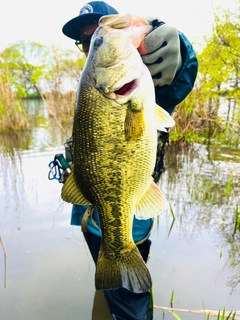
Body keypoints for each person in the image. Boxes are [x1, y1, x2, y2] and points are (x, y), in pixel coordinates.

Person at [61, 1, 198, 319]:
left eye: (98, 34)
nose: (91, 43)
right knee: (111, 288)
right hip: (90, 216)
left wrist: (178, 45)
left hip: (128, 216)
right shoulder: (90, 84)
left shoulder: (147, 80)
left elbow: (178, 77)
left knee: (129, 304)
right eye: (88, 41)